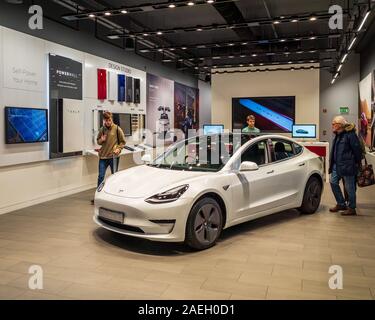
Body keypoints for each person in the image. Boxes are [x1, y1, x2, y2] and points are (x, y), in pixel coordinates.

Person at [329, 116, 362, 216]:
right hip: (336, 165)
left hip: (347, 165)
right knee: (333, 182)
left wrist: (355, 163)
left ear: (340, 125)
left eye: (334, 123)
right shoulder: (338, 134)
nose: (332, 125)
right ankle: (341, 203)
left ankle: (352, 208)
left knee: (349, 187)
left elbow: (357, 151)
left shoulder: (350, 134)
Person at [92, 111, 126, 204]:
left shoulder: (117, 129)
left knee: (114, 176)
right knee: (100, 176)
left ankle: (114, 197)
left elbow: (123, 142)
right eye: (106, 120)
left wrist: (118, 149)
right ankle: (98, 196)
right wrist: (101, 140)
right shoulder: (102, 129)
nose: (108, 122)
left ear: (111, 119)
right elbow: (98, 141)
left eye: (109, 120)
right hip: (103, 157)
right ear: (104, 120)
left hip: (113, 157)